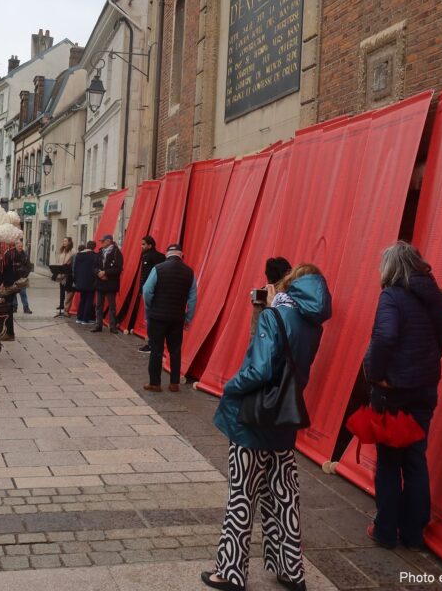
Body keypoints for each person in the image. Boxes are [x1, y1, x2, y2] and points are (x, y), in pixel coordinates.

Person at [204, 264, 332, 591]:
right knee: (284, 496)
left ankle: (230, 572)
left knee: (242, 496)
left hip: (254, 419)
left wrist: (230, 386)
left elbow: (259, 370)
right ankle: (290, 569)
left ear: (287, 285)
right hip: (283, 420)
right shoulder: (313, 325)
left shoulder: (274, 317)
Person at [363, 241, 442, 550]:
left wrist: (375, 374)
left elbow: (386, 336)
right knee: (416, 459)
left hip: (394, 393)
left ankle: (385, 530)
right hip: (424, 389)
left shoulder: (391, 296)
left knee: (390, 461)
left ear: (391, 268)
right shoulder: (435, 296)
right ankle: (413, 532)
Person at [141, 244, 196, 392]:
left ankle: (155, 383)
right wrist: (188, 319)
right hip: (177, 318)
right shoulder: (189, 272)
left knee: (156, 350)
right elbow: (192, 299)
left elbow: (146, 291)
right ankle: (174, 383)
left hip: (157, 317)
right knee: (175, 350)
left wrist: (149, 308)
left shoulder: (158, 269)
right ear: (181, 256)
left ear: (167, 255)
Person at [135, 235, 166, 352]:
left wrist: (141, 290)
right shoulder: (162, 257)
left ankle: (151, 344)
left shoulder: (148, 256)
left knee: (149, 318)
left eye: (143, 244)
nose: (141, 246)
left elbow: (145, 276)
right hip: (159, 291)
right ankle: (155, 343)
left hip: (150, 291)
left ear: (150, 245)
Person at [93, 234, 123, 333]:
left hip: (110, 283)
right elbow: (94, 266)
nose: (101, 243)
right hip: (100, 282)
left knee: (112, 306)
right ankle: (98, 325)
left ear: (109, 241)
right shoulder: (100, 252)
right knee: (98, 305)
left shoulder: (116, 252)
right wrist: (98, 273)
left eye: (103, 241)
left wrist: (106, 273)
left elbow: (118, 268)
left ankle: (112, 326)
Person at [1, 239, 32, 314]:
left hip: (21, 278)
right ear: (16, 246)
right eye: (19, 246)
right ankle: (14, 307)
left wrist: (24, 275)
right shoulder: (10, 254)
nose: (20, 247)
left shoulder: (25, 255)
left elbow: (29, 266)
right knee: (13, 293)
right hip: (12, 278)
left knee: (23, 293)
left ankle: (26, 308)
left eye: (21, 246)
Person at [73, 242, 98, 325]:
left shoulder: (78, 255)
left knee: (82, 299)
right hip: (90, 282)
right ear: (94, 247)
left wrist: (76, 281)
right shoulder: (94, 256)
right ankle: (85, 319)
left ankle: (79, 317)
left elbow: (75, 269)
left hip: (80, 282)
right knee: (89, 300)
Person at [54, 237, 75, 317]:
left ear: (69, 242)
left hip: (68, 273)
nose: (64, 242)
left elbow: (72, 262)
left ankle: (67, 309)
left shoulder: (72, 251)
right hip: (61, 273)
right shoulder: (62, 250)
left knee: (68, 291)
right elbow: (60, 260)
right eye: (63, 240)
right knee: (62, 290)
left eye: (65, 241)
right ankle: (61, 304)